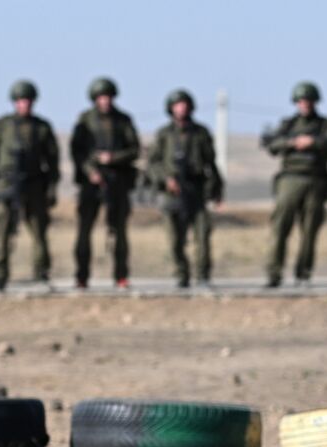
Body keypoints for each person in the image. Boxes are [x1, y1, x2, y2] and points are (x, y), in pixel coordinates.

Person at [0, 80, 59, 292]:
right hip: (7, 185)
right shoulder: (3, 126)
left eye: (28, 101)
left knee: (39, 232)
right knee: (3, 233)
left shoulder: (42, 128)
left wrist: (51, 189)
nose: (24, 105)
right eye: (21, 101)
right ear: (15, 102)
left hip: (34, 185)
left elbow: (53, 161)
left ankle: (41, 274)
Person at [263, 81, 327, 288]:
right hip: (290, 179)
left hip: (315, 180)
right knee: (280, 227)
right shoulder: (288, 125)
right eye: (301, 101)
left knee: (309, 230)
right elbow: (272, 144)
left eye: (308, 100)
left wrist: (313, 142)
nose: (305, 104)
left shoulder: (325, 125)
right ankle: (274, 273)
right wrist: (292, 143)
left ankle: (303, 274)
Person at [147, 89, 223, 288]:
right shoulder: (164, 135)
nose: (181, 109)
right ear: (171, 109)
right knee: (175, 239)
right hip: (172, 193)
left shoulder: (200, 133)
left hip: (196, 189)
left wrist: (216, 191)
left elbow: (211, 163)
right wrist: (166, 179)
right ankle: (181, 274)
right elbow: (153, 163)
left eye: (184, 105)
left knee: (203, 235)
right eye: (177, 105)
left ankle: (203, 275)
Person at [70, 77, 140, 289]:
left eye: (108, 97)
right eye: (101, 97)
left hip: (117, 183)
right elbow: (77, 151)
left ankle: (121, 276)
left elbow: (134, 149)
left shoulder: (123, 120)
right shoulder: (85, 120)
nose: (105, 101)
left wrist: (113, 158)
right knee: (84, 232)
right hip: (91, 185)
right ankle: (82, 276)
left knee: (119, 232)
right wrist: (91, 171)